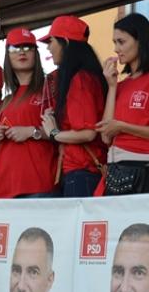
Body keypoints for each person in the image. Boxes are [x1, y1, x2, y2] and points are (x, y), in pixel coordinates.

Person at [97, 13, 149, 195]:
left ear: (140, 41)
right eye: (114, 43)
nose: (116, 49)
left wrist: (124, 127)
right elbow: (106, 137)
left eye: (121, 42)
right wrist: (111, 86)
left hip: (148, 168)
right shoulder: (119, 85)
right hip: (115, 170)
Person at [38, 15, 107, 197]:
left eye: (51, 41)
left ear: (66, 42)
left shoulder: (80, 80)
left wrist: (54, 132)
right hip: (84, 171)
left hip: (82, 171)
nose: (48, 47)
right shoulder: (87, 77)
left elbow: (88, 133)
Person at [0, 28, 58, 198]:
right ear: (7, 56)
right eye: (15, 48)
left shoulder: (49, 89)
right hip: (4, 187)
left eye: (28, 47)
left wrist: (31, 132)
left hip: (39, 184)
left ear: (36, 54)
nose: (22, 52)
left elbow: (61, 132)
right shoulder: (5, 102)